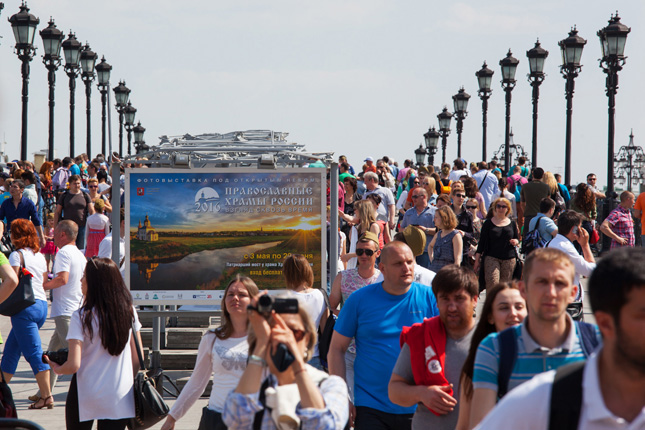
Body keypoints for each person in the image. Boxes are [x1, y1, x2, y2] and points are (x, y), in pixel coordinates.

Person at [474, 247, 645, 429]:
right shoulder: (497, 348)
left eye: (560, 283)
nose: (551, 292)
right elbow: (481, 421)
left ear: (573, 293)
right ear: (523, 289)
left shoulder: (596, 341)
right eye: (542, 282)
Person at [329, 241, 439, 430]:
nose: (406, 268)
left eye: (410, 262)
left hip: (419, 405)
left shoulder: (431, 298)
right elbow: (336, 349)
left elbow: (450, 344)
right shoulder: (358, 300)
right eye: (398, 263)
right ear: (383, 268)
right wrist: (341, 398)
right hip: (370, 406)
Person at [223, 292, 349, 430]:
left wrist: (297, 364)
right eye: (276, 332)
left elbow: (324, 426)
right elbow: (235, 420)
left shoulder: (330, 386)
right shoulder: (255, 388)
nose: (285, 339)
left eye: (295, 333)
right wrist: (261, 344)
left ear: (307, 339)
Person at [46, 258, 141, 429]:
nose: (81, 281)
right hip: (120, 395)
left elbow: (74, 365)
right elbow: (137, 359)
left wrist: (57, 368)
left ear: (96, 283)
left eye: (84, 276)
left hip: (86, 393)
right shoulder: (129, 311)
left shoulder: (81, 316)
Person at [161, 276, 259, 430]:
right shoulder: (212, 337)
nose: (235, 298)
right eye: (230, 294)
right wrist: (172, 417)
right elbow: (196, 382)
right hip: (216, 419)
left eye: (242, 294)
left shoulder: (265, 339)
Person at [388, 265, 478, 430]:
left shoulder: (490, 341)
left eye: (459, 298)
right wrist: (422, 393)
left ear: (475, 300)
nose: (452, 307)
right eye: (445, 299)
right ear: (436, 301)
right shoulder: (420, 336)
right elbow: (394, 390)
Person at [455, 282, 526, 430]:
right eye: (504, 308)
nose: (513, 313)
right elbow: (463, 426)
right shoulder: (474, 367)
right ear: (490, 317)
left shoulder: (545, 357)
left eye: (519, 307)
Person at [0, 220, 51, 409]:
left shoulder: (16, 255)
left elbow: (10, 282)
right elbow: (44, 280)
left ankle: (46, 396)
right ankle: (1, 389)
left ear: (16, 235)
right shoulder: (39, 255)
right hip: (41, 306)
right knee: (12, 350)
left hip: (24, 309)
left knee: (33, 353)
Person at [35, 220, 87, 400]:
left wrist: (41, 286)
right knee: (53, 353)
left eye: (55, 233)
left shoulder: (63, 253)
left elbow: (62, 279)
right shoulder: (80, 254)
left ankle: (88, 390)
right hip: (73, 307)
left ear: (63, 235)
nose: (52, 236)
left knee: (73, 355)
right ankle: (44, 391)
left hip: (65, 309)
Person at [329, 232, 381, 403]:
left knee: (371, 402)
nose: (363, 256)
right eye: (359, 252)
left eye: (368, 252)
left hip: (374, 352)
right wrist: (347, 318)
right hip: (348, 350)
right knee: (348, 401)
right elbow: (331, 308)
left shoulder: (383, 279)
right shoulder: (343, 277)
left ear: (377, 253)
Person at [283, 254, 328, 370]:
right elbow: (325, 329)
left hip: (292, 358)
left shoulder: (286, 298)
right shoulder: (320, 294)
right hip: (315, 356)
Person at [546, 210, 596, 303]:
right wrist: (585, 245)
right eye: (580, 227)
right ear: (574, 229)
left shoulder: (550, 243)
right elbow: (590, 271)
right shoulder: (566, 249)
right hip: (567, 303)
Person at [474, 197, 519, 291]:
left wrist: (516, 241)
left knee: (505, 287)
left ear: (508, 209)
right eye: (498, 206)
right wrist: (477, 261)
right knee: (492, 284)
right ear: (495, 208)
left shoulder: (512, 223)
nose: (501, 208)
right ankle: (491, 305)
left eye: (503, 206)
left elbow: (517, 239)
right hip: (491, 257)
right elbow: (481, 243)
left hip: (509, 258)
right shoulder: (488, 223)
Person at [0, 179, 46, 248]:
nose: (12, 189)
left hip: (25, 235)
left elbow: (36, 221)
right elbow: (0, 218)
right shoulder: (6, 203)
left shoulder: (29, 204)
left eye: (15, 187)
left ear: (22, 190)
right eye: (11, 186)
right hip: (11, 236)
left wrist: (42, 237)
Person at [54, 175, 95, 250]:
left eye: (78, 183)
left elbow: (92, 210)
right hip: (67, 228)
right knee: (66, 248)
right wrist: (55, 227)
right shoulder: (64, 196)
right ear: (70, 184)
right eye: (75, 183)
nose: (77, 185)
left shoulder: (85, 195)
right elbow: (57, 212)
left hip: (81, 227)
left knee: (81, 249)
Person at [401, 188, 436, 267]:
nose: (413, 199)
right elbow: (401, 228)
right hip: (410, 251)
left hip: (427, 251)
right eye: (412, 197)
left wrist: (425, 230)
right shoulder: (408, 212)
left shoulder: (434, 212)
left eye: (415, 197)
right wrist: (409, 231)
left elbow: (440, 231)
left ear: (423, 197)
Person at [428, 206, 462, 272]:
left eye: (436, 217)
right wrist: (432, 259)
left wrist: (454, 274)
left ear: (444, 218)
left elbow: (458, 258)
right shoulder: (438, 234)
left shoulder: (456, 235)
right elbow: (430, 246)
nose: (434, 220)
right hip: (434, 271)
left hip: (447, 272)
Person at [520, 167, 551, 235]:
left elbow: (522, 203)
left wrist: (525, 212)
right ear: (542, 176)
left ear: (533, 175)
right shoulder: (546, 187)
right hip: (542, 216)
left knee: (527, 239)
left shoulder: (525, 186)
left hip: (529, 215)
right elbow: (548, 202)